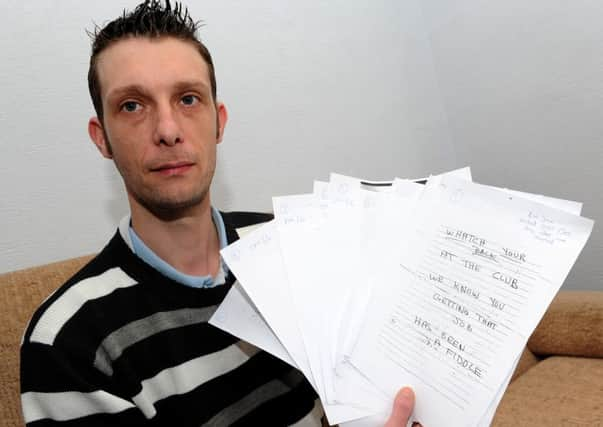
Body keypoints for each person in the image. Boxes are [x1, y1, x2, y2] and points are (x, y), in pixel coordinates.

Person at [20, 1, 417, 425]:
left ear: (219, 122)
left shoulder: (286, 244)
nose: (168, 130)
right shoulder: (67, 340)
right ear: (102, 139)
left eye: (188, 99)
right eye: (132, 106)